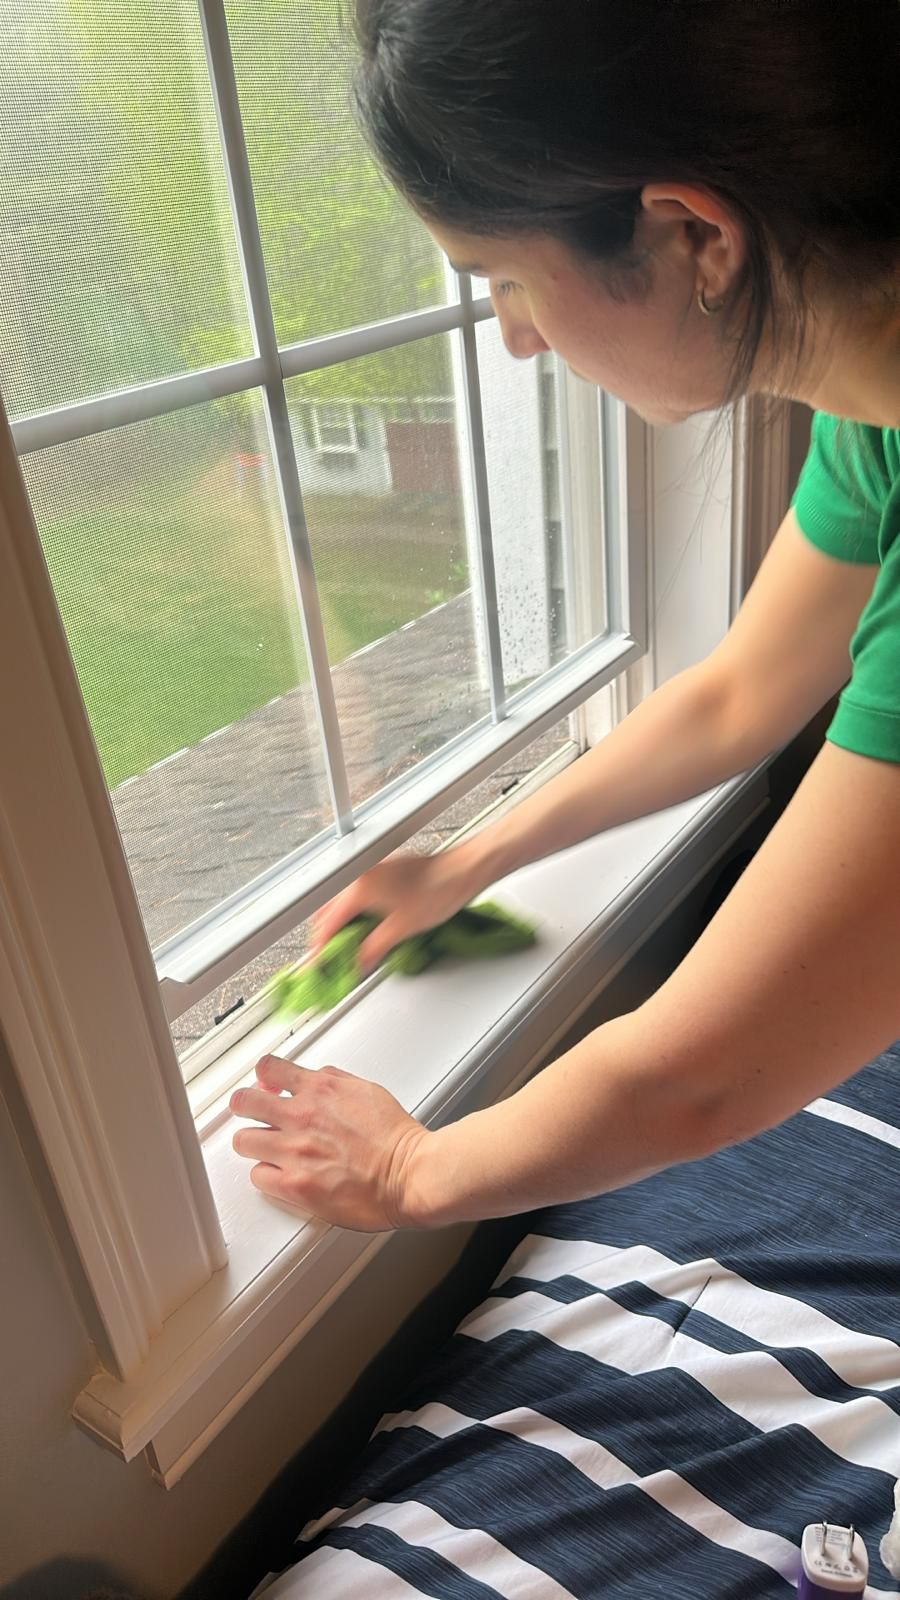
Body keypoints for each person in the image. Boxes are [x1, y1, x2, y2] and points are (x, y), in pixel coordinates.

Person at [230, 0, 900, 1232]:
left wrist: (404, 1174)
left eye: (505, 280)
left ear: (694, 233)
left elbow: (694, 1081)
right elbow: (736, 691)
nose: (517, 339)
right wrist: (465, 864)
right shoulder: (876, 404)